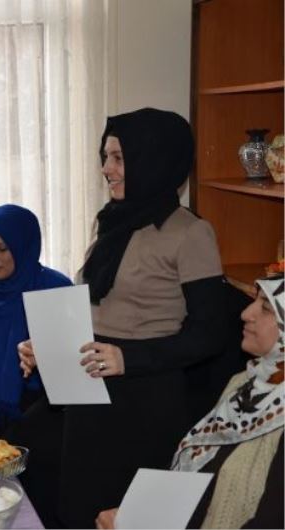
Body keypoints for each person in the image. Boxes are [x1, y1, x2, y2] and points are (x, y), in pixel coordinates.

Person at [16, 108, 228, 528]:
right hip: (90, 393)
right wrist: (50, 349)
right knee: (73, 507)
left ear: (153, 160)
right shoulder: (113, 223)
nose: (106, 169)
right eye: (105, 157)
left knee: (121, 515)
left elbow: (210, 333)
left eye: (118, 158)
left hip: (144, 402)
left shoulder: (190, 233)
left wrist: (127, 358)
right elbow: (99, 312)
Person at [96, 275, 284, 529]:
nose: (246, 313)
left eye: (266, 308)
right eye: (254, 301)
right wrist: (138, 514)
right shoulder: (244, 382)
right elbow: (202, 468)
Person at [0, 204, 71, 439]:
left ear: (23, 245)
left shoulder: (56, 287)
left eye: (2, 249)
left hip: (44, 406)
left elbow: (70, 359)